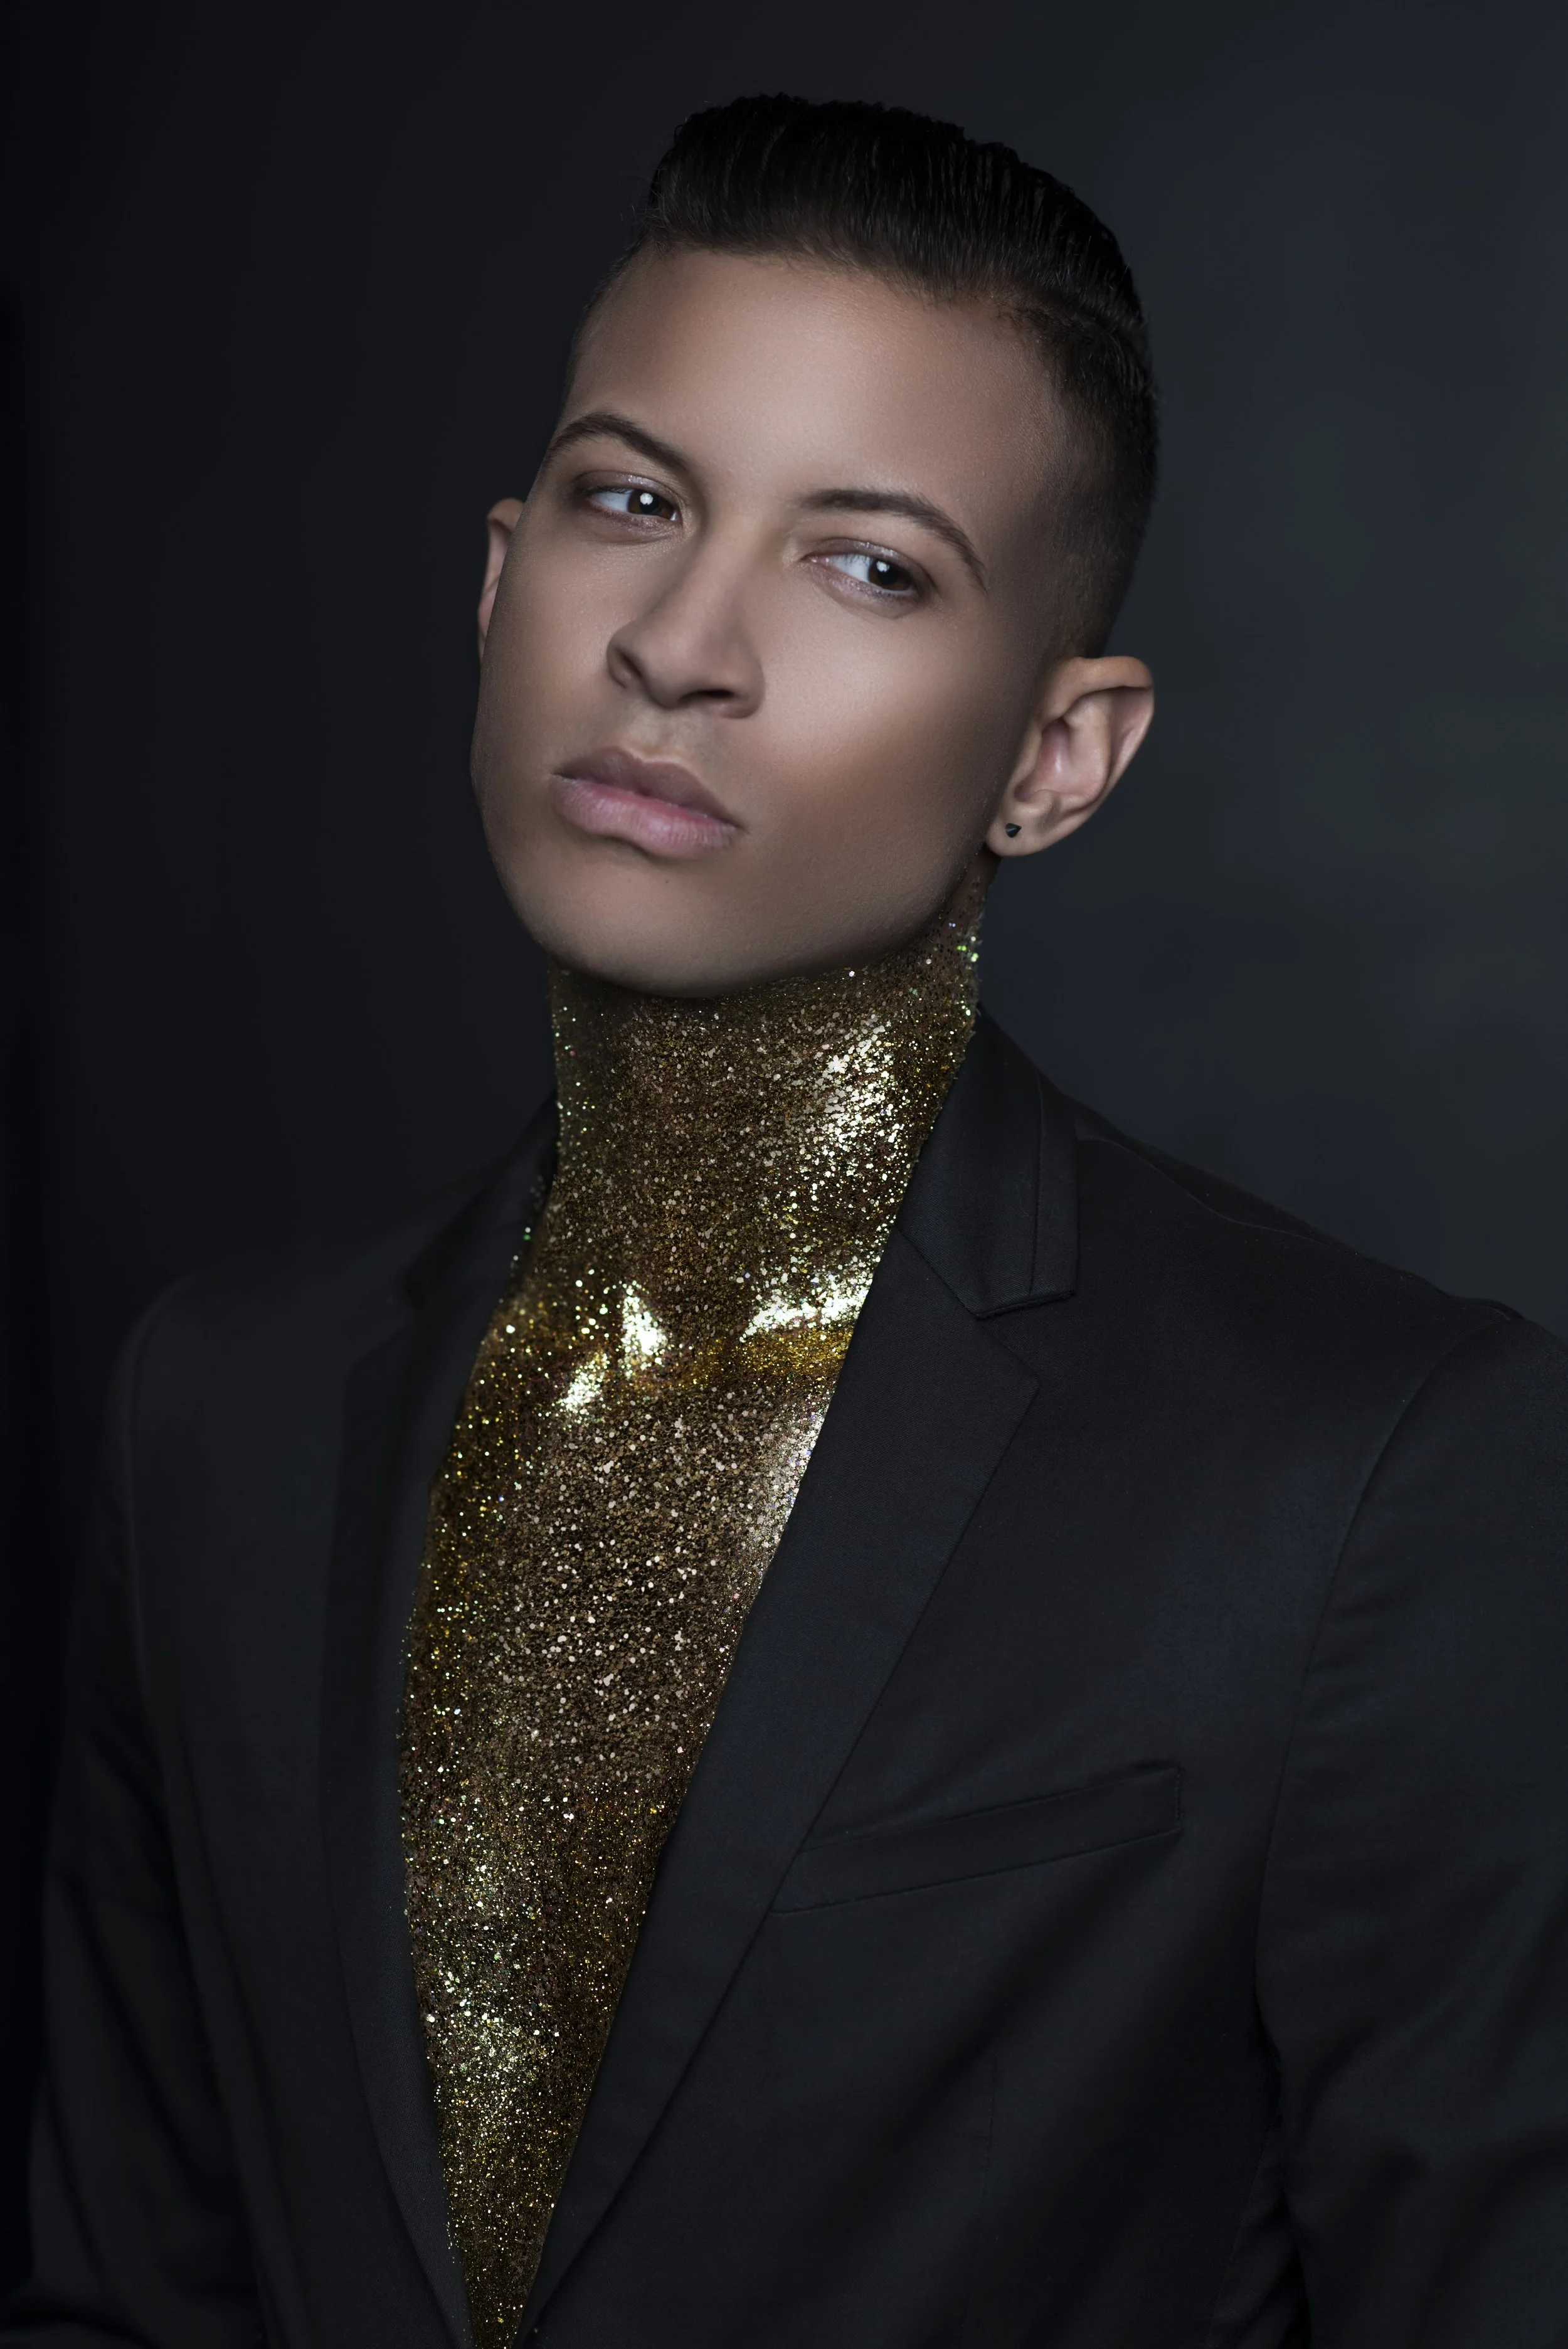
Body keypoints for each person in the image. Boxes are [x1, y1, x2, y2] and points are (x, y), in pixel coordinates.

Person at [8, 92, 1568, 2349]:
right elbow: (127, 2296)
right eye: (630, 500)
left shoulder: (1369, 1469)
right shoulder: (220, 1412)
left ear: (1055, 756)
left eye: (869, 567)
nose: (679, 645)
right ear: (496, 583)